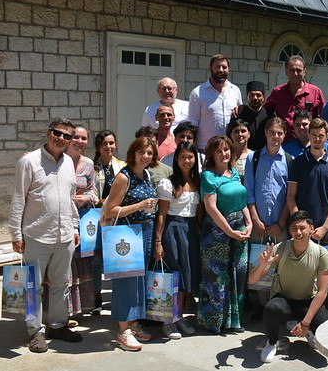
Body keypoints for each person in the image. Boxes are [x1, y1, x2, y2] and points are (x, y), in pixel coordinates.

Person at [9, 118, 82, 353]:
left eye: (66, 136)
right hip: (37, 235)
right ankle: (36, 331)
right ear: (48, 133)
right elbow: (18, 199)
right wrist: (15, 234)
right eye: (57, 133)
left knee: (61, 283)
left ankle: (58, 325)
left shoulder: (69, 162)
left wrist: (75, 227)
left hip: (64, 236)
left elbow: (69, 200)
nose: (61, 138)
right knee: (34, 286)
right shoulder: (29, 162)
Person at [248, 210, 328, 364]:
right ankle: (272, 342)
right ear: (289, 231)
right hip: (284, 300)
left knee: (327, 323)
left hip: (307, 300)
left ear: (311, 229)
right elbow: (253, 280)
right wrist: (262, 266)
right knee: (271, 309)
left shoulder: (321, 253)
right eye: (294, 228)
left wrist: (305, 323)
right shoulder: (281, 249)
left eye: (302, 228)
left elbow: (322, 291)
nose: (298, 232)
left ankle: (308, 331)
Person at [101, 135, 160, 351]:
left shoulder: (146, 174)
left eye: (149, 153)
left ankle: (133, 321)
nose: (145, 156)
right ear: (133, 153)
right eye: (142, 152)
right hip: (127, 233)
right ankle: (123, 330)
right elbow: (111, 209)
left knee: (138, 280)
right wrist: (140, 205)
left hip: (144, 231)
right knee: (125, 281)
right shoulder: (124, 177)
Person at [198, 135, 252, 334]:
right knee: (217, 277)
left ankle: (234, 320)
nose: (223, 154)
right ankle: (215, 321)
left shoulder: (234, 173)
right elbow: (211, 208)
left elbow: (242, 201)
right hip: (216, 233)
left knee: (238, 273)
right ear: (212, 154)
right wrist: (230, 232)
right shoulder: (208, 176)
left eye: (226, 150)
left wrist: (249, 223)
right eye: (219, 151)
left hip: (239, 229)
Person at [154, 142, 203, 339]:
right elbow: (161, 215)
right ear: (176, 158)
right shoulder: (168, 183)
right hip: (172, 230)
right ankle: (168, 320)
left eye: (190, 157)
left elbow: (199, 211)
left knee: (186, 275)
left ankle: (178, 316)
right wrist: (158, 241)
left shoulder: (197, 182)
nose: (186, 161)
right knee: (173, 274)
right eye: (182, 157)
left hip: (190, 230)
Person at [287, 118, 328, 255]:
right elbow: (290, 195)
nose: (317, 139)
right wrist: (300, 225)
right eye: (314, 135)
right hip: (302, 229)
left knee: (325, 272)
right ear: (308, 135)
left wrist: (325, 227)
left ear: (327, 137)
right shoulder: (298, 163)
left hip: (325, 229)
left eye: (321, 136)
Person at [64, 125, 99, 321]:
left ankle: (75, 310)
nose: (79, 141)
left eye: (84, 138)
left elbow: (94, 192)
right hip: (63, 219)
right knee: (64, 266)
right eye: (76, 137)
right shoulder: (59, 161)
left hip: (82, 219)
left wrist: (86, 198)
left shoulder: (88, 164)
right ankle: (62, 312)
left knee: (80, 264)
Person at [244, 117, 291, 245]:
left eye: (279, 133)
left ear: (285, 134)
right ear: (265, 132)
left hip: (280, 226)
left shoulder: (289, 160)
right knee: (257, 263)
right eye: (272, 132)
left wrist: (281, 223)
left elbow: (290, 196)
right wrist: (256, 221)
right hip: (258, 226)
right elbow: (249, 192)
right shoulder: (253, 158)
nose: (276, 136)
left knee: (281, 263)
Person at [92, 129, 124, 314]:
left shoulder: (121, 166)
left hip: (116, 219)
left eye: (111, 143)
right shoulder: (92, 166)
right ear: (98, 146)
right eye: (104, 143)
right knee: (96, 260)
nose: (108, 147)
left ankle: (115, 297)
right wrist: (99, 201)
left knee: (115, 259)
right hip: (96, 218)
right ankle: (96, 297)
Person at [188, 54, 243, 151]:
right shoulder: (198, 93)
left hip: (229, 149)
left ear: (228, 70)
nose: (221, 70)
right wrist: (194, 150)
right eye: (217, 67)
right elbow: (193, 124)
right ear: (210, 69)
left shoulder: (235, 90)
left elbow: (239, 119)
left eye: (224, 67)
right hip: (206, 149)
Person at [264, 55, 325, 142]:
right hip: (283, 144)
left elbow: (321, 120)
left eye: (299, 70)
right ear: (286, 72)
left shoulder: (315, 92)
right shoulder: (277, 92)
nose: (295, 74)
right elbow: (264, 113)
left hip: (307, 144)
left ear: (304, 72)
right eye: (292, 70)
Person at [230, 80, 273, 153]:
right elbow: (231, 134)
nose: (255, 98)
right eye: (252, 95)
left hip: (264, 154)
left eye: (258, 95)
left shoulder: (269, 115)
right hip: (241, 154)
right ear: (247, 97)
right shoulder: (239, 113)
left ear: (263, 98)